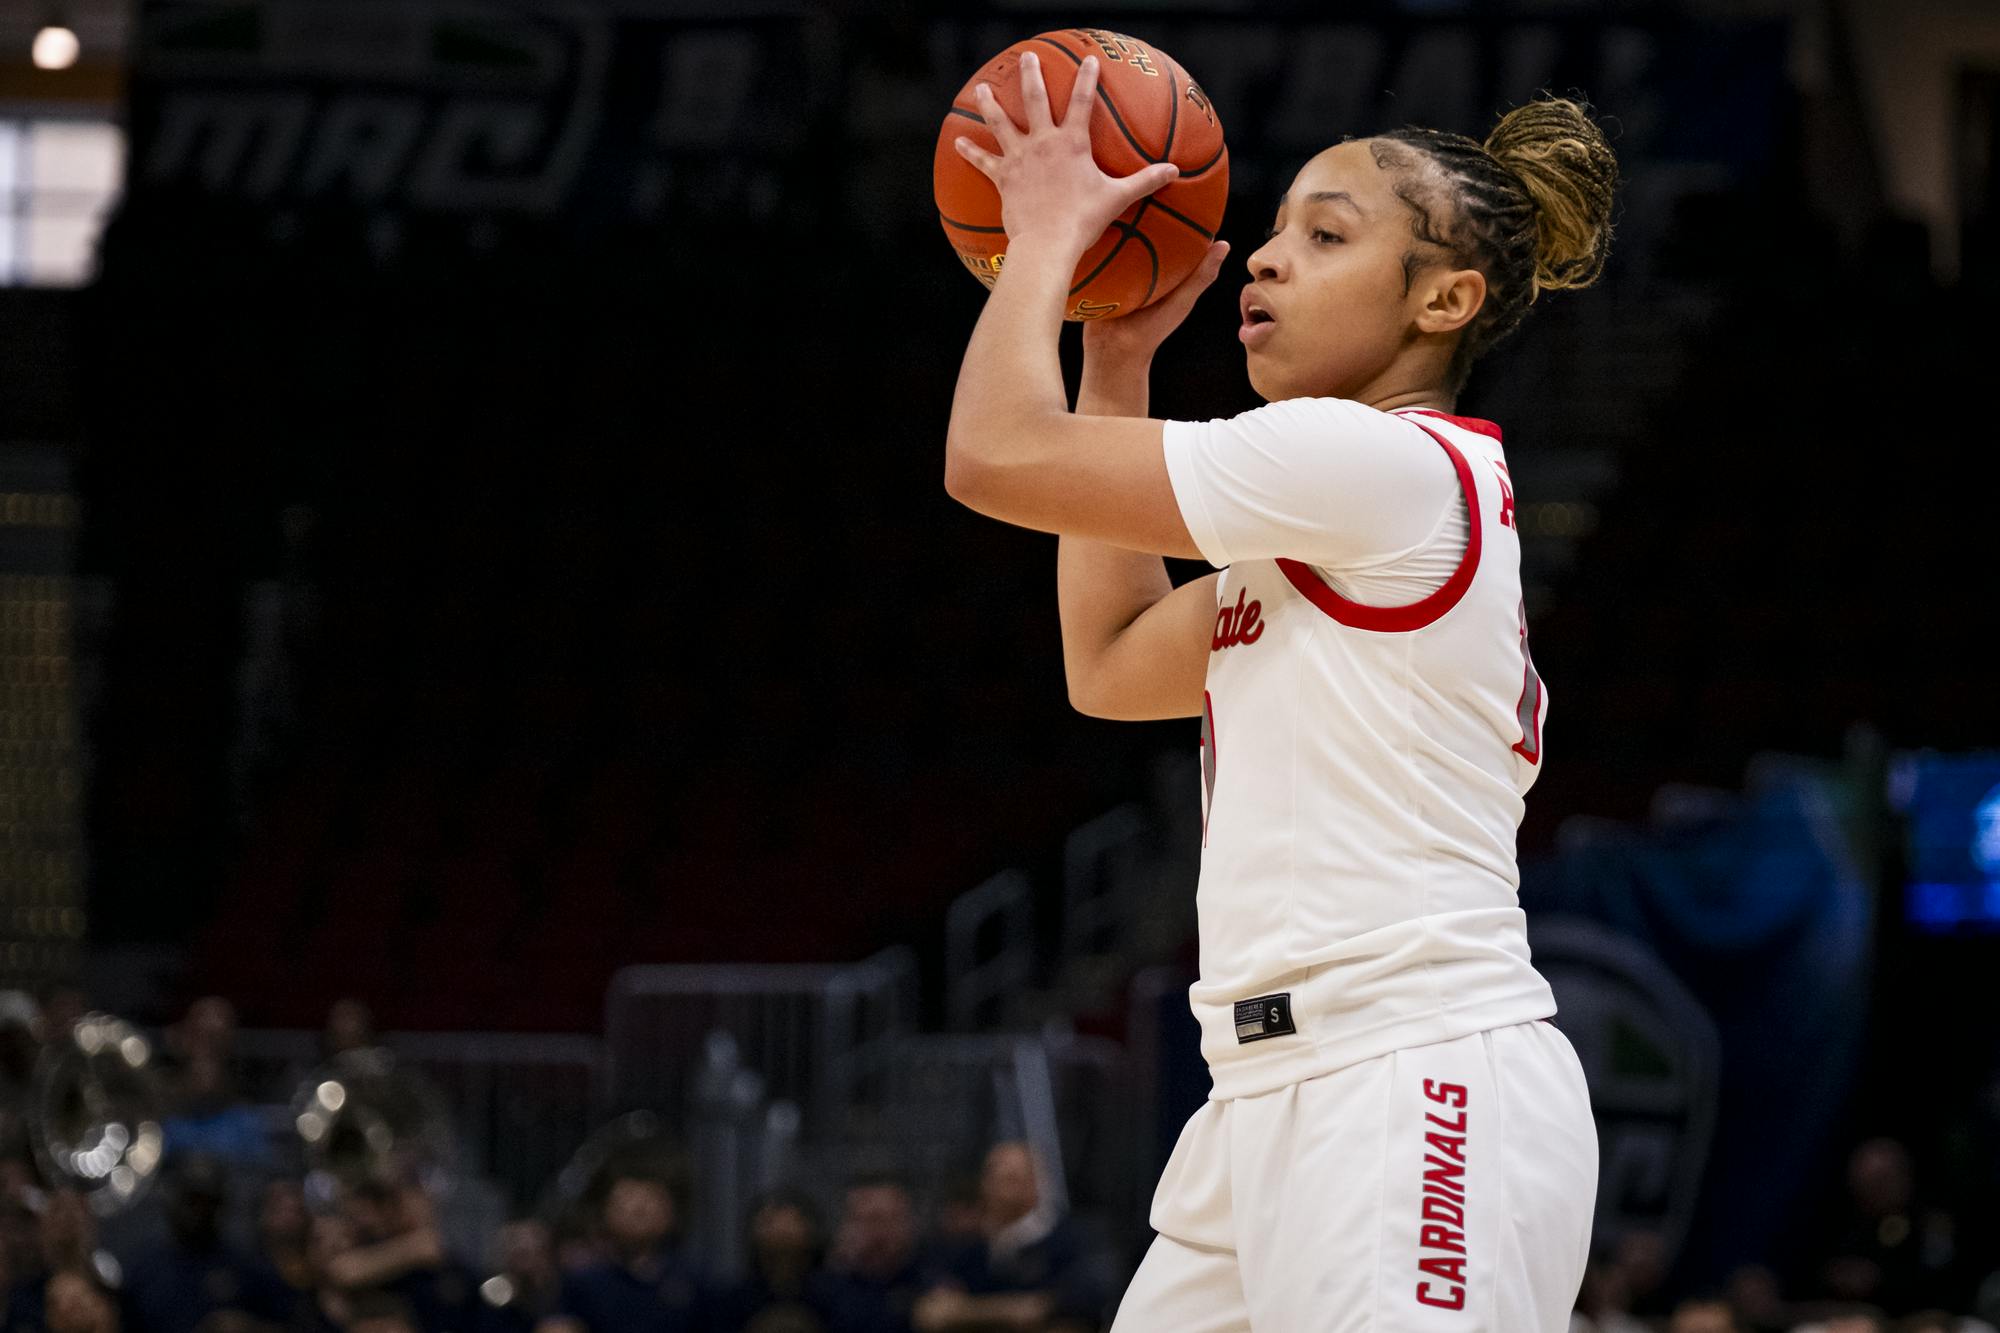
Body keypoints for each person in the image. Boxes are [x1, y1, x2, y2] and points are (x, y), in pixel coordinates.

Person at [944, 49, 1615, 1333]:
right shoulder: (1332, 525)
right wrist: (1117, 356)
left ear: (1443, 300)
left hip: (1408, 1073)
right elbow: (1112, 662)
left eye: (1322, 233)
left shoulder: (1383, 468)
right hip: (1260, 1097)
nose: (1260, 258)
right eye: (1268, 231)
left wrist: (1040, 238)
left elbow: (991, 455)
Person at [916, 1143, 1108, 1333]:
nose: (1002, 1190)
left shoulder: (1069, 1241)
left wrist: (966, 1312)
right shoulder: (964, 1244)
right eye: (994, 1177)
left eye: (1012, 1179)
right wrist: (1012, 1310)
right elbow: (932, 1313)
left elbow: (1067, 1310)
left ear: (1037, 1183)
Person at [541, 1172, 710, 1333]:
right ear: (605, 1213)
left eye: (647, 1203)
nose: (636, 1210)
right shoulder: (584, 1283)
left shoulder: (694, 1282)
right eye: (624, 1204)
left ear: (668, 1213)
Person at [820, 1175, 932, 1333]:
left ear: (909, 1223)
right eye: (867, 1220)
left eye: (888, 1220)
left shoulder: (931, 1282)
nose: (878, 1232)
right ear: (846, 1226)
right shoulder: (823, 1288)